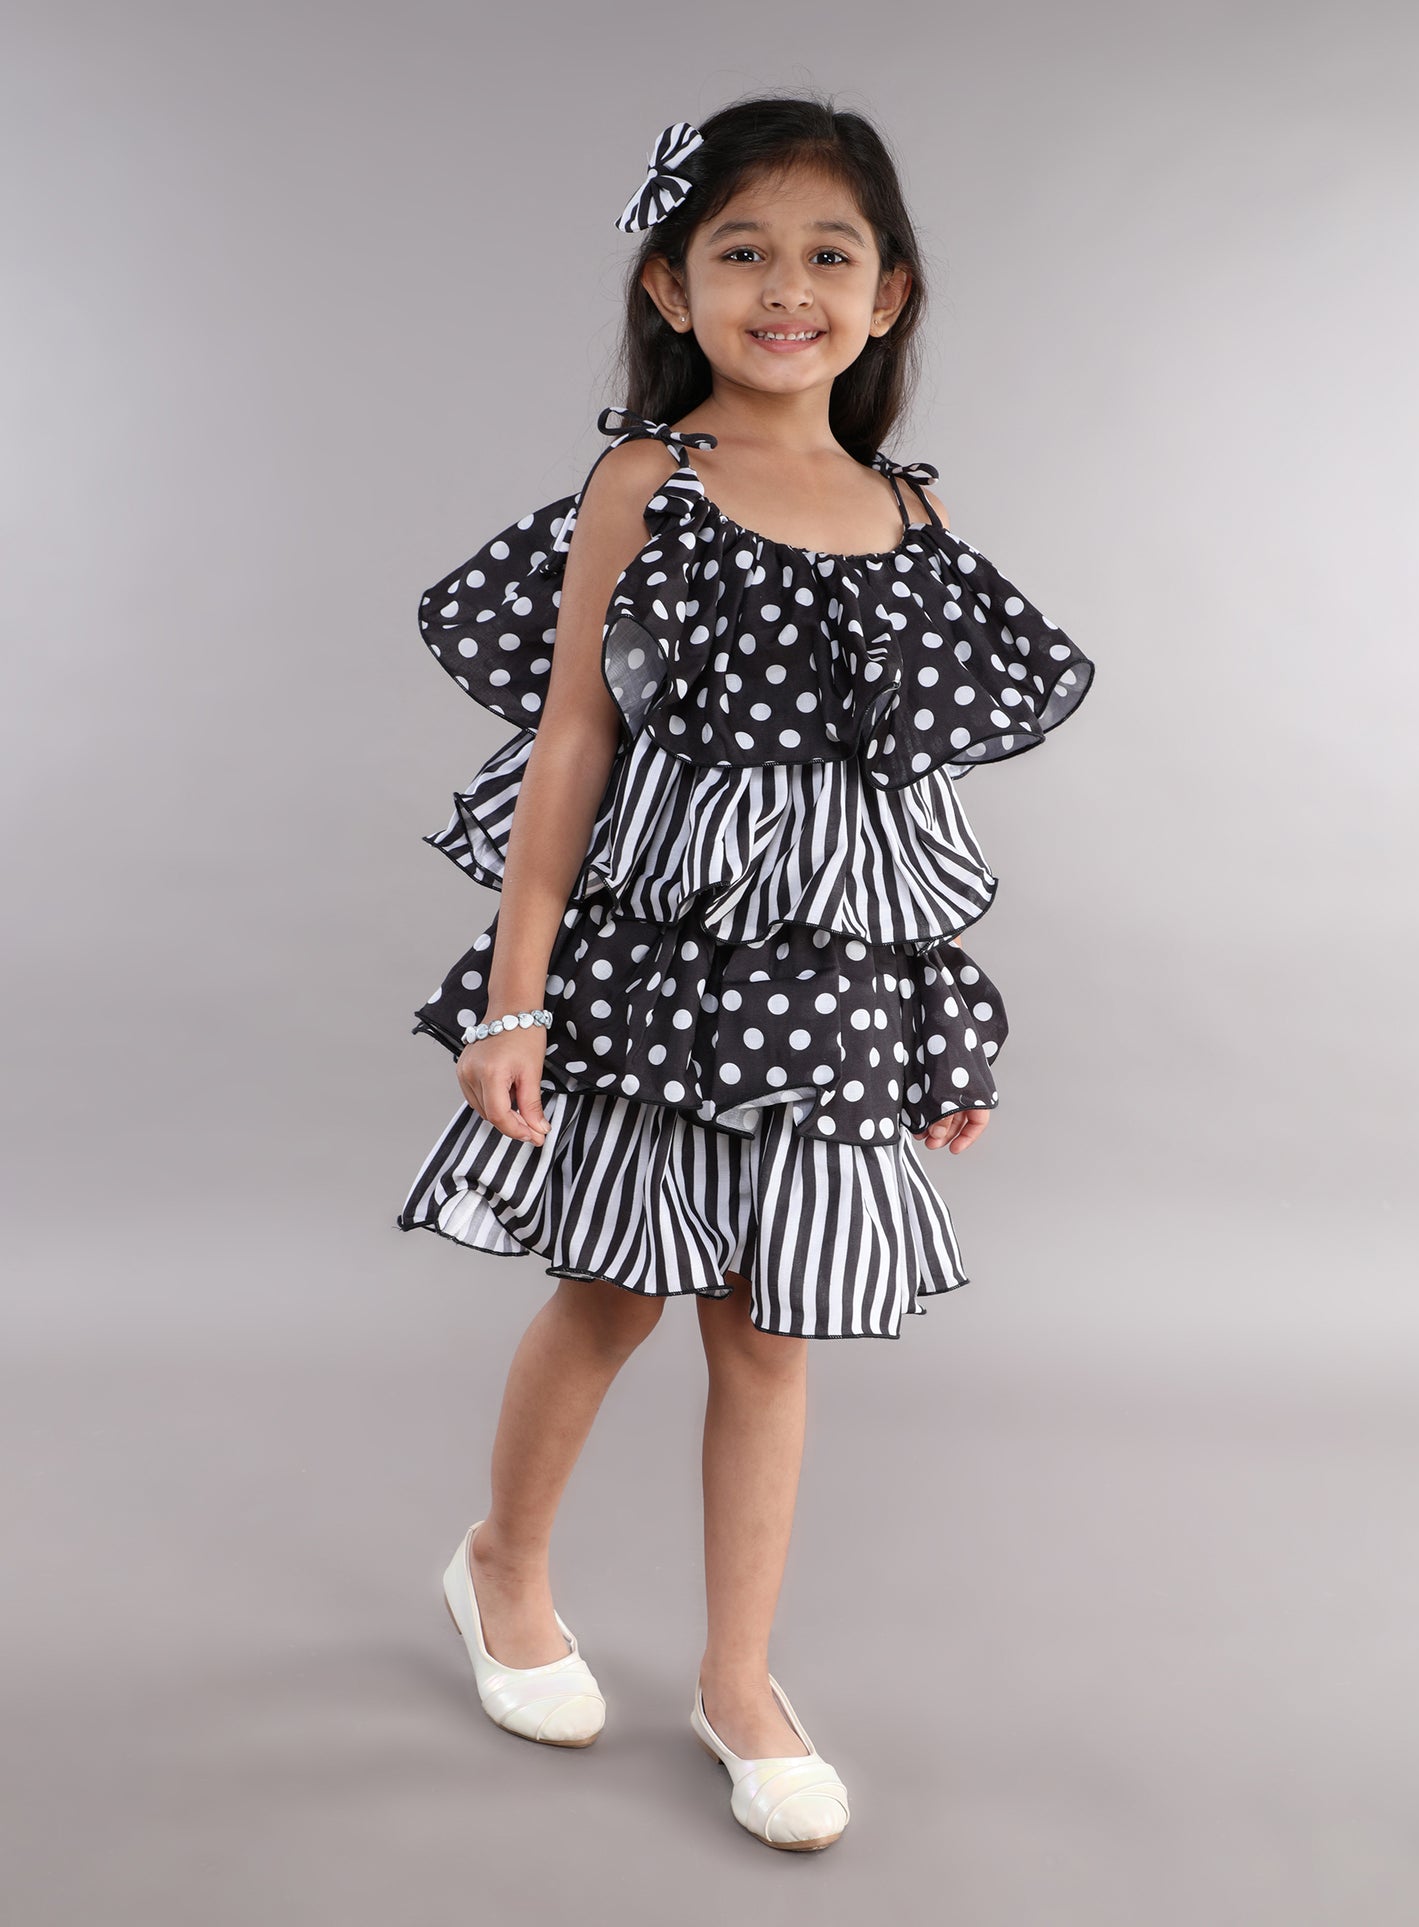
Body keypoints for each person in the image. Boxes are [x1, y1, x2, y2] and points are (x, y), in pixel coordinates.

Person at [397, 94, 1096, 1851]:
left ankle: (737, 1677)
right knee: (610, 1294)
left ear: (887, 295)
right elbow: (571, 744)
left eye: (827, 255)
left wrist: (940, 1031)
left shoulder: (911, 514)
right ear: (672, 285)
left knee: (773, 1331)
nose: (787, 287)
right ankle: (503, 1569)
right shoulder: (651, 483)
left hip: (830, 991)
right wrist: (513, 995)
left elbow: (901, 810)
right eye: (742, 252)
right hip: (663, 966)